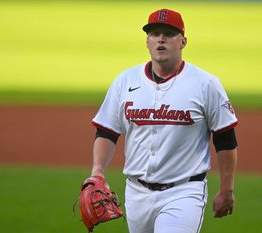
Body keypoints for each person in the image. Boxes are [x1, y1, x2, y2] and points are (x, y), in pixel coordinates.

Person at [90, 8, 238, 233]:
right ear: (147, 42)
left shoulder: (206, 84)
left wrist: (226, 189)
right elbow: (107, 131)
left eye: (168, 34)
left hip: (184, 192)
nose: (160, 39)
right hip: (136, 193)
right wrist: (97, 170)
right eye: (154, 33)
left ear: (183, 41)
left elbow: (225, 138)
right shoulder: (125, 81)